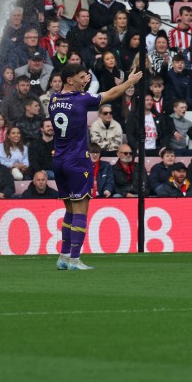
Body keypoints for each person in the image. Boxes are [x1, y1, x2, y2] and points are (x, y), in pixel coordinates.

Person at [49, 63, 142, 270]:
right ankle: (75, 259)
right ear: (70, 80)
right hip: (77, 161)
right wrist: (129, 82)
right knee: (81, 211)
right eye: (82, 77)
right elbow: (111, 93)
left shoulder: (53, 100)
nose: (86, 81)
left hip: (59, 161)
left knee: (69, 211)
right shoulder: (81, 100)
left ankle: (63, 257)